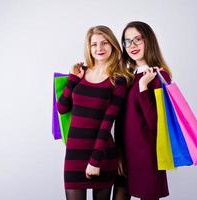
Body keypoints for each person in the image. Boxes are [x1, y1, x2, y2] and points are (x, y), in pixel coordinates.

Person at [57, 25, 132, 200]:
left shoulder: (117, 80)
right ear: (88, 48)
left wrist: (95, 161)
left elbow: (107, 124)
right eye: (94, 44)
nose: (99, 48)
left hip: (101, 154)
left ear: (113, 45)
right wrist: (72, 80)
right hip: (74, 153)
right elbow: (62, 108)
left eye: (104, 43)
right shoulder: (81, 73)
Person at [113, 21, 172, 200]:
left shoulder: (160, 76)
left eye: (138, 39)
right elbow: (121, 120)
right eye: (128, 41)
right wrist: (119, 153)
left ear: (148, 41)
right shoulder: (129, 77)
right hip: (127, 156)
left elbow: (158, 124)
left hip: (148, 157)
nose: (132, 46)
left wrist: (143, 88)